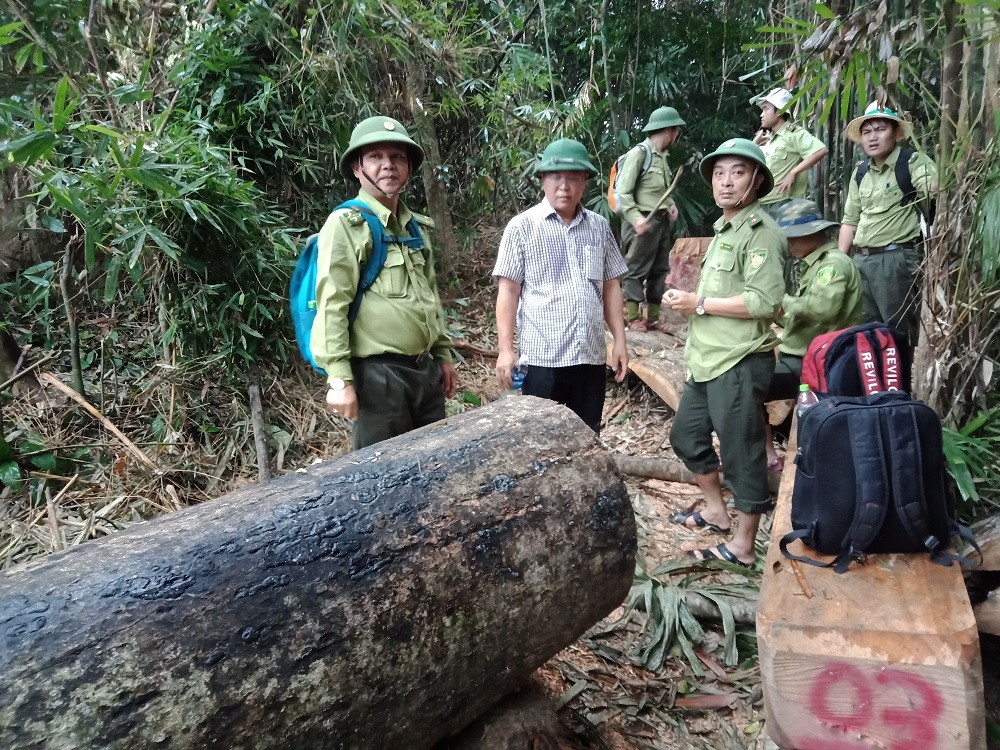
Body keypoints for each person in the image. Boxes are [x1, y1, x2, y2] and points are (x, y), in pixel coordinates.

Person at [663, 138, 787, 568]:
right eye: (719, 173)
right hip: (707, 358)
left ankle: (743, 545)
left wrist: (697, 302)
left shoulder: (762, 234)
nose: (726, 182)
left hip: (739, 359)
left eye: (737, 172)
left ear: (756, 179)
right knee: (686, 436)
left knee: (740, 450)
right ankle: (716, 511)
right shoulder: (724, 228)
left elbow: (763, 303)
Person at [311, 115, 457, 449]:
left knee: (433, 465)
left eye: (397, 157)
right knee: (382, 478)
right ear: (357, 168)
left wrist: (443, 356)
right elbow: (332, 304)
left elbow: (429, 297)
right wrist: (339, 379)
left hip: (425, 373)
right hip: (378, 378)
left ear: (408, 167)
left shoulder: (414, 228)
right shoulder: (346, 224)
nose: (388, 165)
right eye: (376, 157)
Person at [493, 138, 629, 434]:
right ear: (543, 179)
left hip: (589, 354)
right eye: (556, 177)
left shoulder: (599, 227)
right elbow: (509, 290)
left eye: (573, 177)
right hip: (543, 357)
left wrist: (619, 340)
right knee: (540, 437)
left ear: (585, 182)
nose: (564, 186)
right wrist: (506, 350)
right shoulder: (522, 227)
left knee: (587, 433)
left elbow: (610, 286)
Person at [764, 199, 863, 471]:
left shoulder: (833, 265)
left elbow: (822, 309)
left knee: (748, 386)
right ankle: (768, 454)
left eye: (794, 238)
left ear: (813, 234)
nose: (790, 245)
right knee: (746, 381)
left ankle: (767, 455)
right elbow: (802, 314)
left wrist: (781, 302)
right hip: (802, 355)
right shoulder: (815, 265)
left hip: (815, 362)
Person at [838, 101, 936, 352]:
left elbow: (936, 192)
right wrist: (840, 261)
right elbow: (850, 219)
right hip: (861, 260)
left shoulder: (912, 162)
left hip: (895, 259)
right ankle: (876, 388)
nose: (873, 137)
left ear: (895, 132)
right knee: (865, 331)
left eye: (880, 129)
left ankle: (903, 387)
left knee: (899, 332)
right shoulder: (860, 171)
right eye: (867, 132)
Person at [616, 106, 686, 331]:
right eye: (676, 130)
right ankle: (634, 316)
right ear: (669, 130)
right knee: (635, 269)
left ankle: (653, 317)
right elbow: (622, 193)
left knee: (659, 268)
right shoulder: (639, 154)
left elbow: (662, 191)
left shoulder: (663, 157)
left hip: (661, 220)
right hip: (642, 220)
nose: (676, 135)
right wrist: (636, 219)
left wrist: (671, 206)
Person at [751, 88, 828, 219]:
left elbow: (821, 150)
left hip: (783, 203)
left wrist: (793, 172)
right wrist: (754, 143)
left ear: (780, 111)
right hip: (762, 203)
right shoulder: (768, 139)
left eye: (765, 109)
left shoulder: (793, 134)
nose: (761, 115)